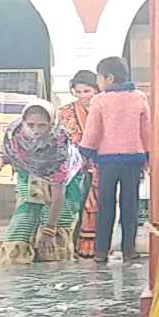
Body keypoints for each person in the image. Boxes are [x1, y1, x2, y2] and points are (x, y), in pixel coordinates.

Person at [80, 56, 152, 263]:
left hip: (107, 160)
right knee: (130, 204)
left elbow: (93, 131)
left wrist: (85, 153)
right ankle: (128, 249)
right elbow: (146, 130)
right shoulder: (139, 97)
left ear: (109, 78)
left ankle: (101, 251)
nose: (99, 83)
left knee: (106, 204)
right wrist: (148, 155)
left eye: (99, 78)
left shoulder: (99, 101)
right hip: (133, 159)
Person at [0, 100, 85, 265]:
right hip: (30, 179)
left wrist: (49, 230)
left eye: (41, 126)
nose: (35, 131)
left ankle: (56, 276)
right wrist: (1, 159)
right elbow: (6, 152)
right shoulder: (14, 135)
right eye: (30, 125)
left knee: (55, 236)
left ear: (51, 125)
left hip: (64, 186)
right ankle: (18, 277)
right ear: (23, 122)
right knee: (20, 229)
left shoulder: (59, 150)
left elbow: (58, 196)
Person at [57, 70, 102, 259]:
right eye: (79, 91)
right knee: (74, 204)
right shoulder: (65, 112)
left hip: (100, 163)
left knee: (96, 205)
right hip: (74, 166)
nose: (83, 96)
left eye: (87, 91)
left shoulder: (103, 108)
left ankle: (95, 244)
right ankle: (73, 243)